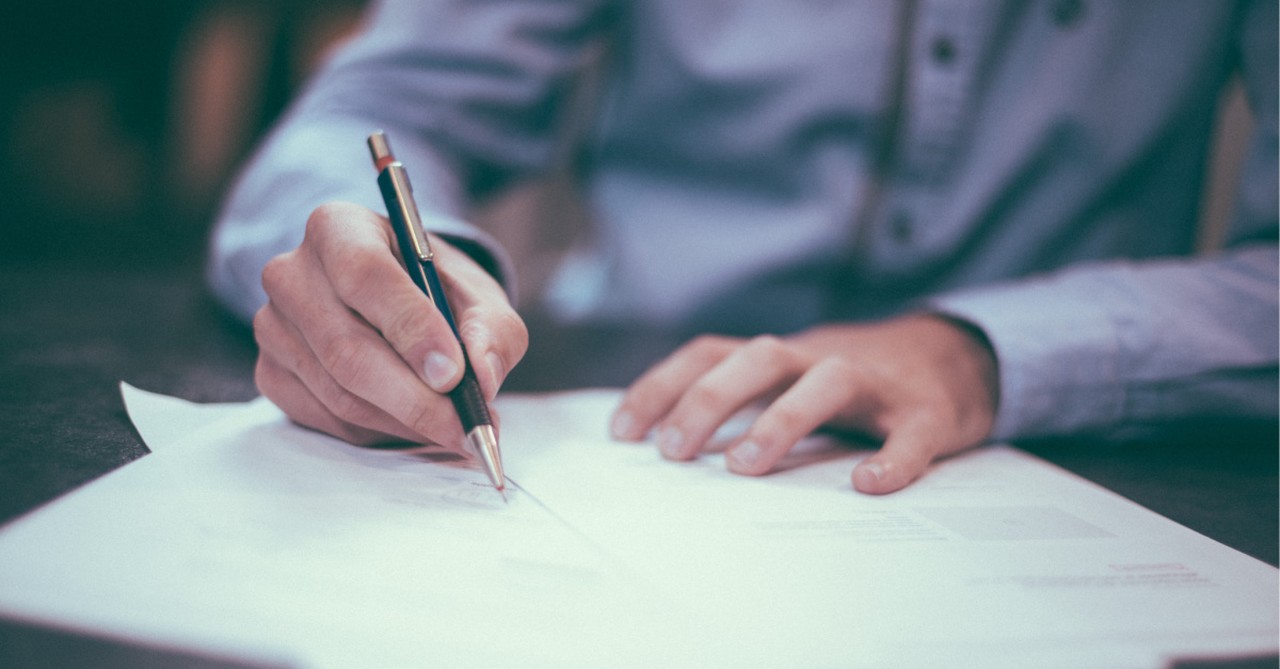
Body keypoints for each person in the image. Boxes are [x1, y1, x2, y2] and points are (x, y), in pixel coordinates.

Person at [207, 0, 1278, 494]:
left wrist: (981, 350)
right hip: (629, 415)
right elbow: (380, 107)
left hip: (1082, 455)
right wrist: (389, 273)